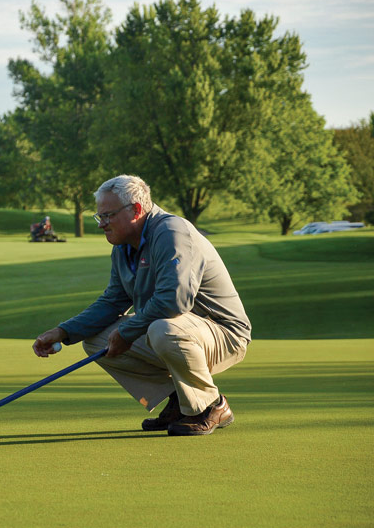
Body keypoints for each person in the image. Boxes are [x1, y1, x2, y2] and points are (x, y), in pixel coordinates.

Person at [32, 175, 251, 436]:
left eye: (108, 216)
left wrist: (126, 332)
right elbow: (112, 301)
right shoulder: (124, 248)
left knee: (163, 329)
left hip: (224, 334)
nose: (102, 224)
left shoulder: (171, 232)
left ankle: (210, 405)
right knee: (95, 341)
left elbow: (175, 300)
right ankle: (178, 401)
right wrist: (63, 332)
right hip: (180, 331)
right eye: (99, 217)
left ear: (135, 210)